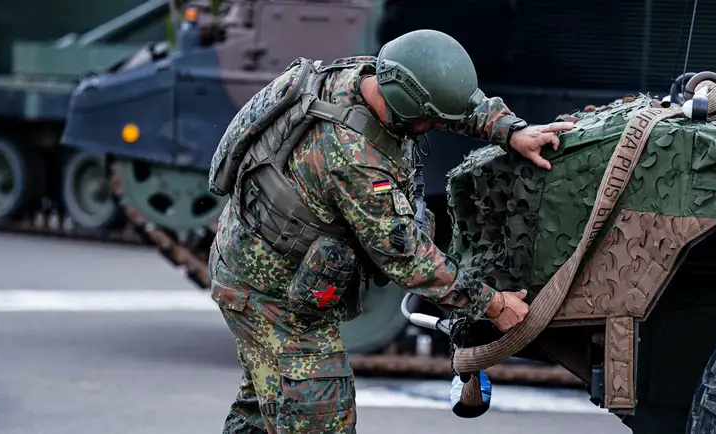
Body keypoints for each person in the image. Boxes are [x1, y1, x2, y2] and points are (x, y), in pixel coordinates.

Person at [208, 28, 576, 434]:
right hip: (267, 292)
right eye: (429, 121)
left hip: (254, 261)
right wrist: (492, 304)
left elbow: (450, 101)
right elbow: (408, 259)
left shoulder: (375, 74)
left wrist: (510, 130)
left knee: (264, 411)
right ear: (407, 108)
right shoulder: (354, 158)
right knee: (318, 415)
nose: (434, 126)